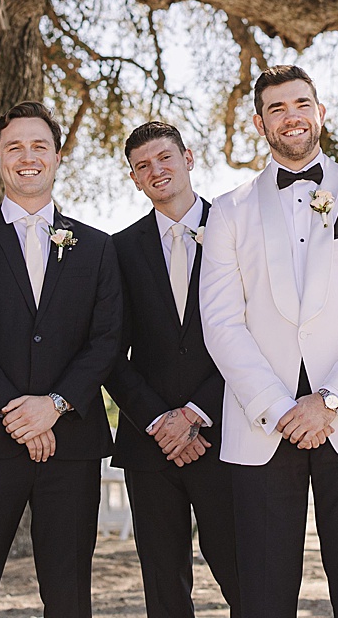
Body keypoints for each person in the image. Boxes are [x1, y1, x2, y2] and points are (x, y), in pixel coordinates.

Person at [200, 65, 338, 618]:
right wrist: (276, 408)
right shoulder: (228, 211)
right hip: (261, 423)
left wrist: (332, 398)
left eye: (300, 104)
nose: (291, 116)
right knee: (263, 592)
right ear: (259, 123)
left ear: (320, 112)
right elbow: (220, 321)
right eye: (276, 108)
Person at [0, 101, 123, 618]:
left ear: (59, 156)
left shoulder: (97, 247)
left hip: (71, 444)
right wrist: (15, 411)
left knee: (68, 595)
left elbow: (106, 340)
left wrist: (55, 405)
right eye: (14, 147)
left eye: (39, 145)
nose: (27, 156)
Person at [107, 121, 241, 617]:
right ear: (134, 179)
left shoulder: (236, 229)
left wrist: (194, 413)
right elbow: (107, 349)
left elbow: (258, 337)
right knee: (163, 586)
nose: (156, 170)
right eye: (143, 166)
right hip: (150, 442)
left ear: (188, 157)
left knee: (241, 573)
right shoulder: (117, 250)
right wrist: (160, 421)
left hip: (226, 432)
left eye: (164, 158)